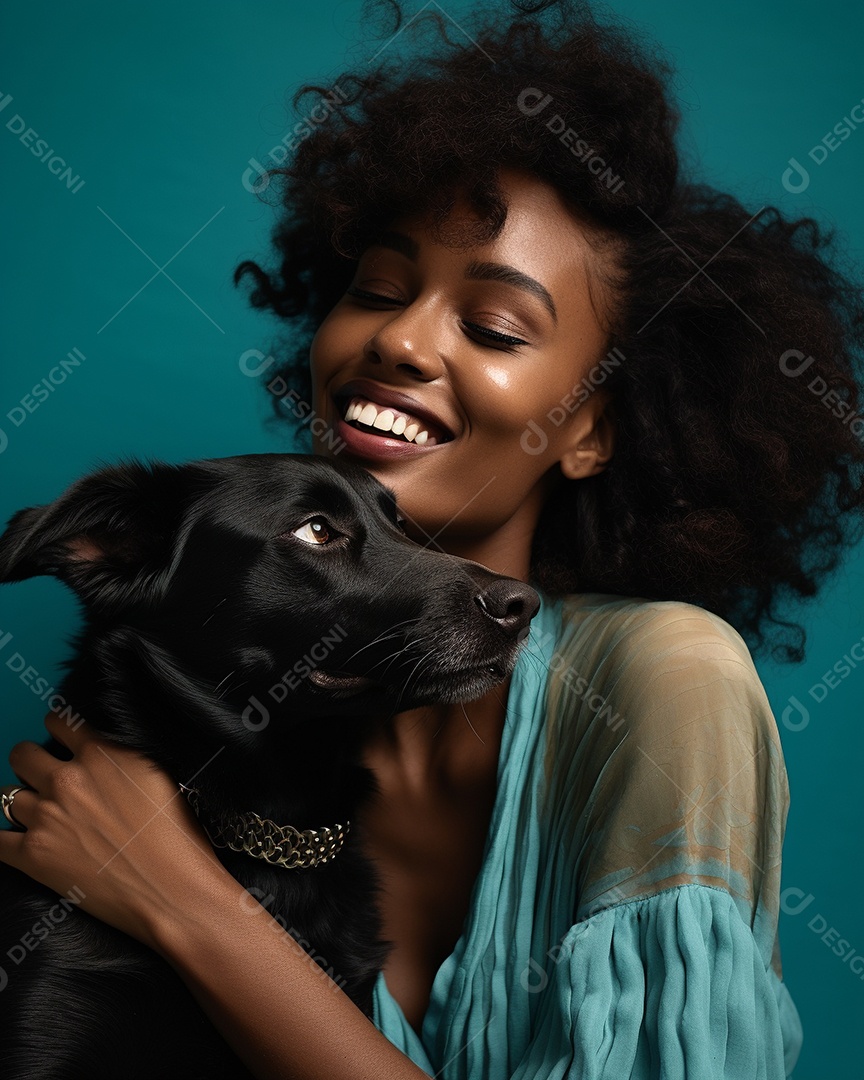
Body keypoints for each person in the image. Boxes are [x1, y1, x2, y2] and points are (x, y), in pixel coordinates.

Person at [1, 2, 863, 1076]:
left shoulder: (667, 680)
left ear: (593, 427)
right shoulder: (267, 706)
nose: (402, 340)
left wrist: (187, 905)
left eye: (494, 328)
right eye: (377, 291)